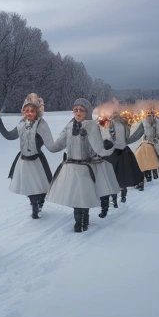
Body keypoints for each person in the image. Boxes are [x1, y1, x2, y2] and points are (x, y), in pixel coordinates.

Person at [46, 98, 114, 232]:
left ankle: (84, 221)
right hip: (71, 167)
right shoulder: (69, 126)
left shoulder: (92, 126)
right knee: (76, 198)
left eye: (81, 110)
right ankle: (79, 222)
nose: (78, 112)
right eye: (75, 109)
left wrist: (108, 144)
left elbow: (100, 149)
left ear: (87, 112)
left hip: (86, 168)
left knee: (84, 196)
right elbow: (56, 146)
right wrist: (45, 138)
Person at [0, 93, 54, 219]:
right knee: (29, 185)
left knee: (42, 184)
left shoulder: (41, 125)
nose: (29, 113)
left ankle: (40, 201)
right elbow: (8, 135)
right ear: (23, 112)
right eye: (26, 110)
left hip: (37, 160)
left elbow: (50, 143)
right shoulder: (21, 124)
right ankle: (34, 205)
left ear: (37, 112)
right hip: (24, 160)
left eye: (32, 111)